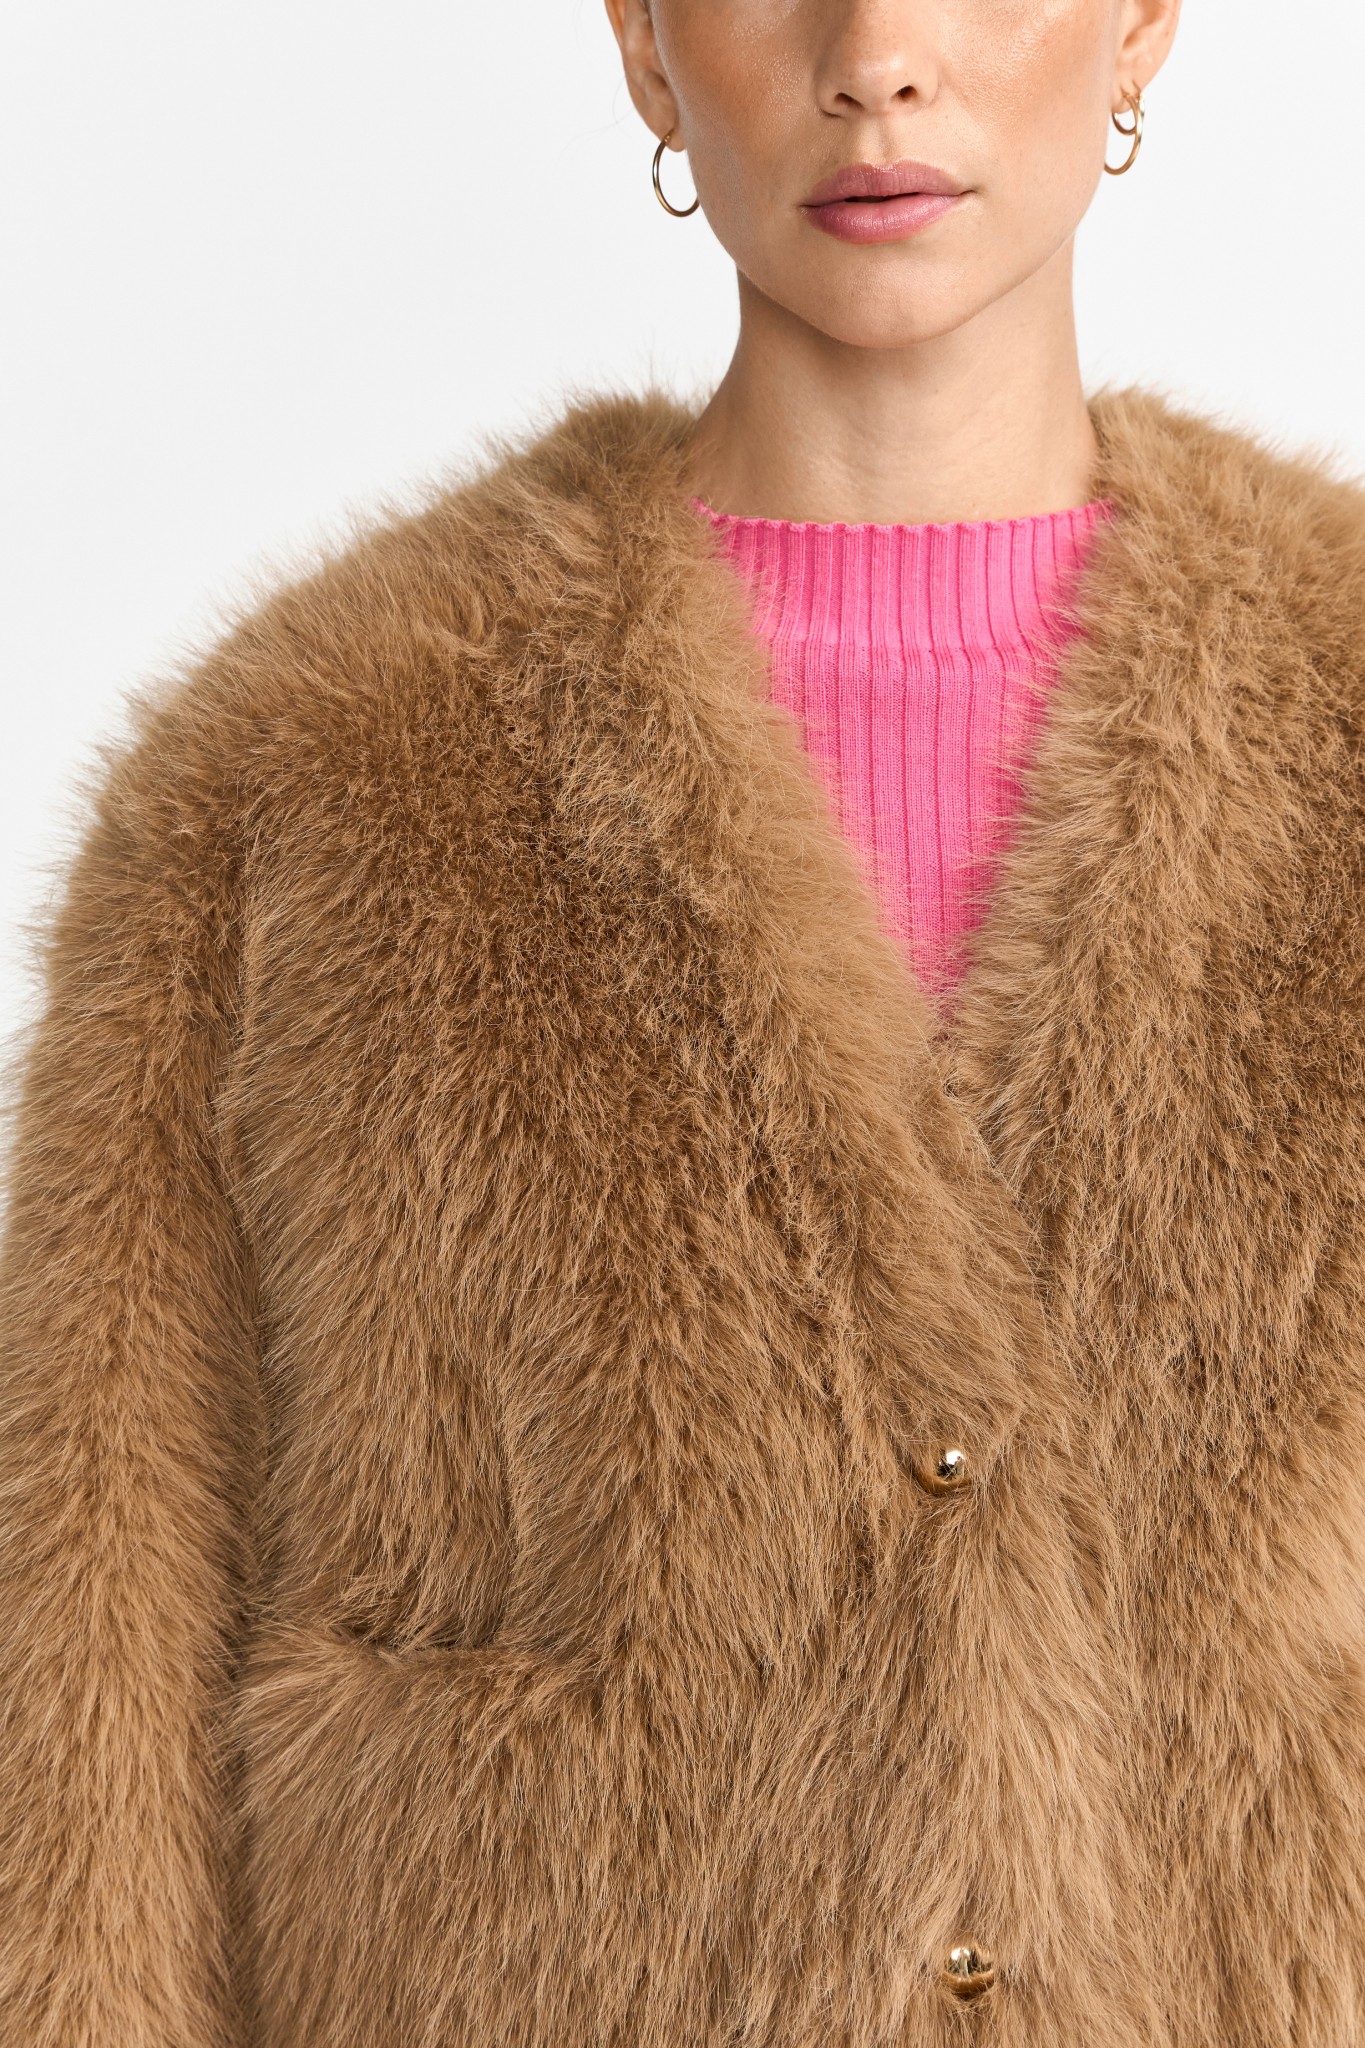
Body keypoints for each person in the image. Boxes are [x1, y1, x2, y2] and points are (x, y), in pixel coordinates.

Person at [3, 0, 1365, 2043]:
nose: (874, 56)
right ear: (644, 48)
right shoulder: (305, 768)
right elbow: (88, 1661)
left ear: (1141, 23)